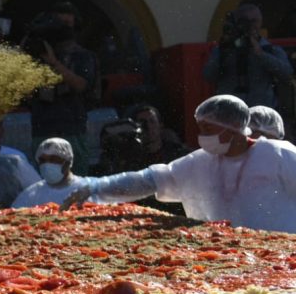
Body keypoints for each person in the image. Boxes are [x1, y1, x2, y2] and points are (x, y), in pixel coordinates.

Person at [64, 95, 296, 233]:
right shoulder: (201, 162)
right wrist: (95, 188)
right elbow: (148, 181)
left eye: (208, 129)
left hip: (284, 257)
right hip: (229, 258)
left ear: (233, 127)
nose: (202, 135)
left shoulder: (277, 154)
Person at [23, 2, 99, 174]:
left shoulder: (82, 56)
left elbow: (81, 85)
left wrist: (54, 63)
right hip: (42, 130)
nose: (61, 31)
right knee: (44, 181)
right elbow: (25, 93)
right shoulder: (36, 57)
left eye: (67, 25)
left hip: (72, 129)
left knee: (76, 182)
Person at [203, 4, 294, 109]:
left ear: (260, 22)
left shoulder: (271, 50)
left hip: (260, 112)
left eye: (254, 21)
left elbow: (287, 73)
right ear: (237, 23)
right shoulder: (224, 50)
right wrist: (225, 51)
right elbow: (208, 76)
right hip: (230, 111)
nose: (250, 26)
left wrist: (261, 54)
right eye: (244, 21)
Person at [13, 138, 98, 208]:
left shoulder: (86, 189)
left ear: (67, 162)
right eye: (43, 160)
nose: (47, 164)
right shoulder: (30, 194)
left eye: (53, 159)